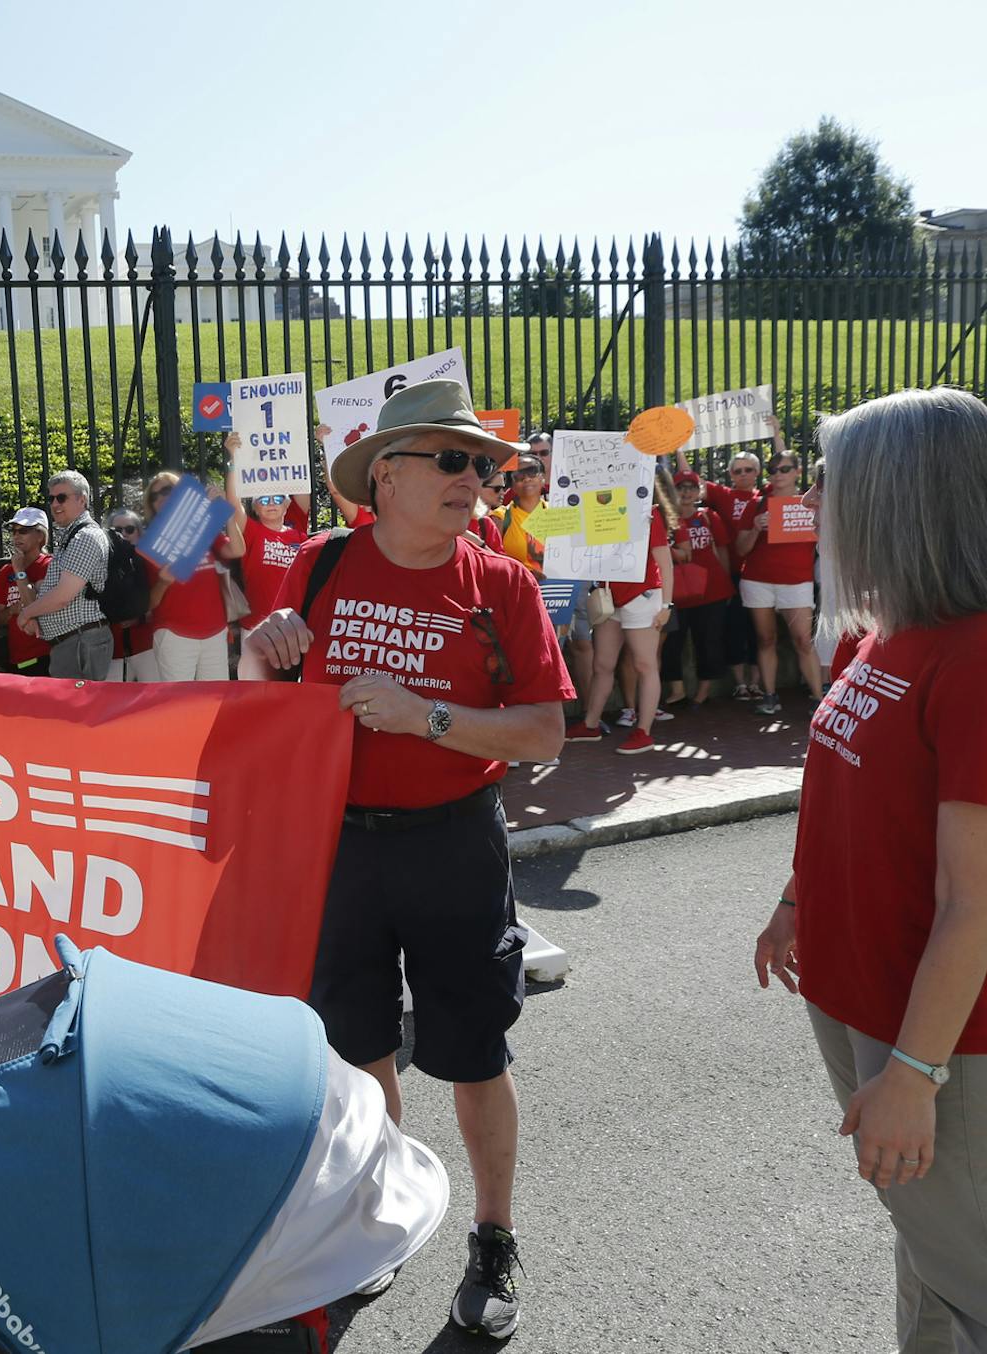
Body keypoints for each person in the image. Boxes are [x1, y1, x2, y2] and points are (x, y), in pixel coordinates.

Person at [754, 387, 987, 1354]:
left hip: (941, 1033)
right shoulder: (888, 625)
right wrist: (792, 899)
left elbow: (972, 902)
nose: (823, 502)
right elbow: (844, 794)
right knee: (934, 1254)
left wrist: (913, 1073)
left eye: (837, 483)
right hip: (868, 1000)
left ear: (902, 498)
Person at [245, 379, 571, 1338]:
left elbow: (547, 733)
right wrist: (260, 652)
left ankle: (493, 1234)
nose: (478, 479)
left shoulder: (500, 583)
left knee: (473, 1051)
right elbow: (261, 702)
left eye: (484, 464)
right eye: (454, 460)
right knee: (359, 1048)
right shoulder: (317, 564)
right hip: (340, 845)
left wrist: (425, 716)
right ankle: (383, 1223)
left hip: (454, 845)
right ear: (385, 475)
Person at [564, 479, 677, 754]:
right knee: (602, 664)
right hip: (608, 597)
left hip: (642, 597)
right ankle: (591, 724)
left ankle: (644, 731)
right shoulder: (598, 507)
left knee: (644, 664)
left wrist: (667, 605)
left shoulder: (649, 513)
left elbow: (664, 561)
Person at [734, 448, 821, 716]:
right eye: (773, 470)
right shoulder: (757, 503)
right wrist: (756, 529)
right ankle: (770, 695)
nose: (778, 475)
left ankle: (820, 700)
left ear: (797, 471)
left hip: (796, 581)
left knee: (804, 641)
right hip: (758, 581)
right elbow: (740, 549)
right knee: (766, 639)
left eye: (785, 469)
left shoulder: (811, 502)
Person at [141, 470, 244, 682]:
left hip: (214, 632)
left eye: (167, 490)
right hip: (174, 636)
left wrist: (227, 514)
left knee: (213, 703)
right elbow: (148, 603)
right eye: (154, 496)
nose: (160, 498)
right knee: (178, 706)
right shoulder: (152, 544)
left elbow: (236, 550)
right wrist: (163, 581)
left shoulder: (205, 529)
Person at [15, 469, 114, 680]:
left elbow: (63, 597)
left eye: (61, 497)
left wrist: (27, 613)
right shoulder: (72, 536)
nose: (54, 504)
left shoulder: (85, 537)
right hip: (74, 642)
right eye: (51, 498)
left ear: (82, 499)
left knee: (81, 711)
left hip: (80, 642)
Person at [660, 471, 735, 709]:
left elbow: (722, 551)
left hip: (712, 591)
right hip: (676, 592)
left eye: (691, 487)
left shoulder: (709, 517)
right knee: (672, 643)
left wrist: (727, 580)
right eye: (681, 487)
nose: (686, 492)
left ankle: (703, 692)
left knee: (709, 641)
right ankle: (677, 690)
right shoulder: (664, 519)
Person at [704, 446, 767, 699]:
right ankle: (740, 683)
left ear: (757, 472)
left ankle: (756, 681)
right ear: (731, 474)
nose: (743, 474)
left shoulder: (765, 496)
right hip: (731, 574)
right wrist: (677, 446)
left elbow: (788, 469)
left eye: (748, 470)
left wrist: (775, 432)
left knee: (758, 632)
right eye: (738, 470)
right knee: (734, 628)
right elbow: (688, 478)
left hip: (759, 573)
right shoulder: (724, 495)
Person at [0, 506, 54, 677]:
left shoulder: (50, 566)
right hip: (16, 659)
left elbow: (33, 606)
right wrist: (12, 610)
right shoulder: (6, 571)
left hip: (46, 656)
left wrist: (20, 571)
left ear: (40, 535)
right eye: (14, 531)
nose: (16, 536)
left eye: (24, 531)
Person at [241, 491, 307, 635]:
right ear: (256, 508)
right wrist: (233, 469)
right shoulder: (252, 531)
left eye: (277, 499)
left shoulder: (300, 537)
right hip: (256, 625)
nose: (271, 503)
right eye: (264, 500)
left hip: (290, 623)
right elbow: (234, 508)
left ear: (286, 505)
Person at [104, 507, 157, 681]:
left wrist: (140, 618)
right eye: (117, 530)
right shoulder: (101, 564)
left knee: (155, 701)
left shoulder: (150, 561)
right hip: (114, 651)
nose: (124, 534)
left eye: (130, 529)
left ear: (139, 533)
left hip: (147, 646)